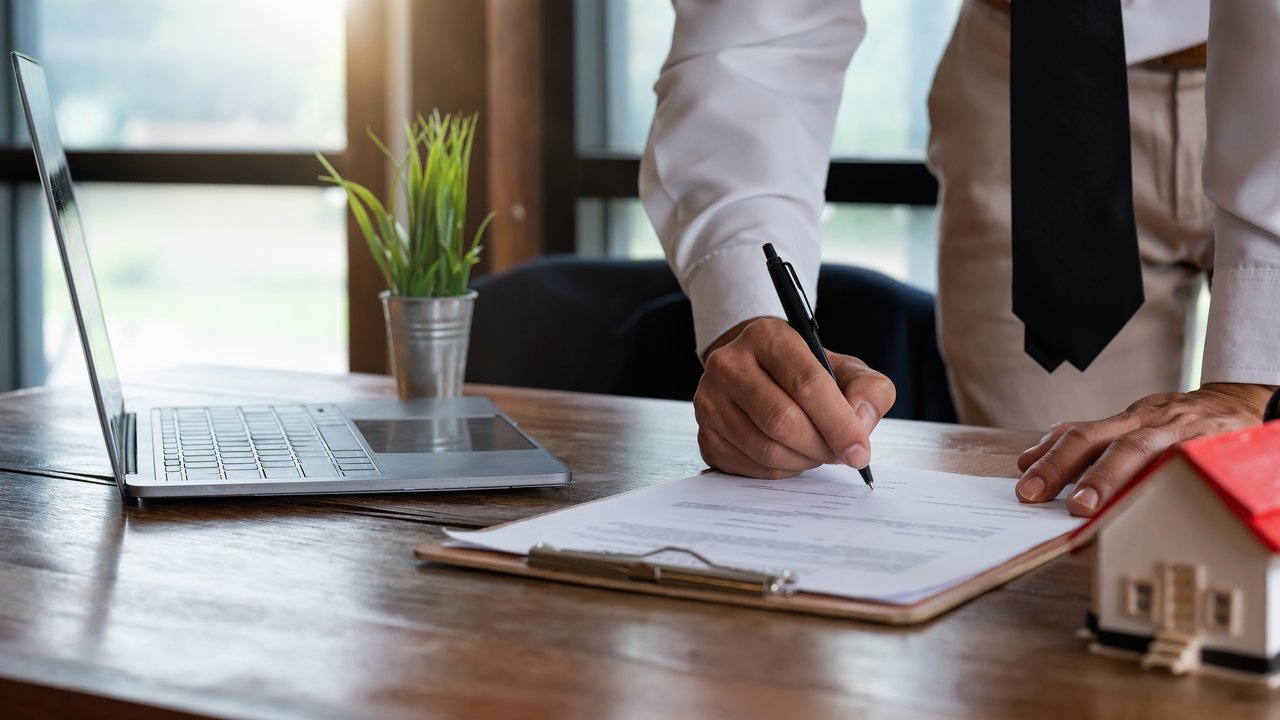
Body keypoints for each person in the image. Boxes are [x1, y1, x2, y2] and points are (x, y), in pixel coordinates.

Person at [639, 0, 1280, 516]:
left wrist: (1255, 380)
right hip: (1038, 91)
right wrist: (750, 306)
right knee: (1051, 516)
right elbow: (761, 36)